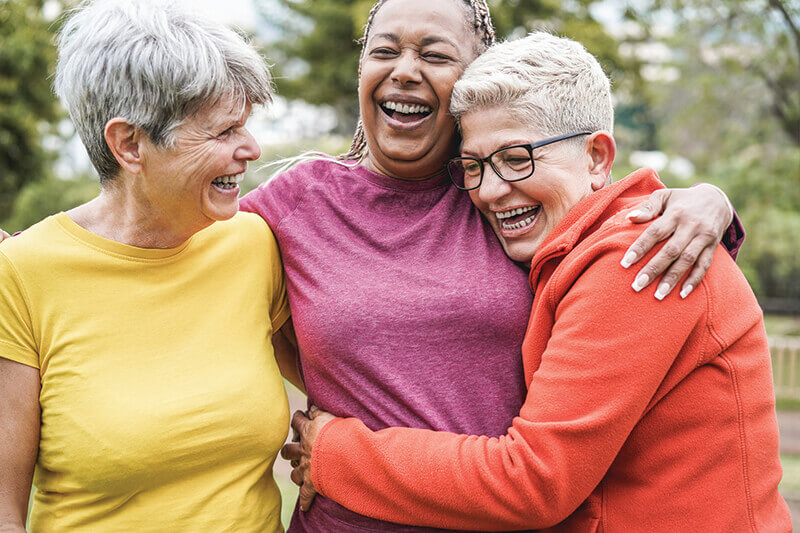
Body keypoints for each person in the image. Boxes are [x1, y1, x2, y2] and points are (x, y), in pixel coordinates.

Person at [239, 0, 742, 530]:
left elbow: (612, 210)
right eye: (383, 51)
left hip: (515, 510)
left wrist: (708, 200)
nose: (405, 70)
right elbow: (194, 264)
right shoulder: (296, 204)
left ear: (469, 78)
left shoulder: (503, 196)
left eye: (434, 54)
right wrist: (330, 377)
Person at [0, 1, 297, 531]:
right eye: (223, 132)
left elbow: (340, 388)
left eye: (246, 126)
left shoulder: (253, 244)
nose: (251, 149)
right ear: (130, 144)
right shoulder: (21, 275)